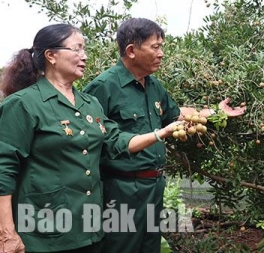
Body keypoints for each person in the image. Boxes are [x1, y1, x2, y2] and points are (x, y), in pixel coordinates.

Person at [0, 24, 183, 253]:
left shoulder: (89, 104)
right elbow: (4, 169)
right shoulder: (23, 105)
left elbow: (115, 141)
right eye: (76, 49)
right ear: (51, 56)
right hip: (43, 231)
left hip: (88, 229)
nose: (84, 56)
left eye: (84, 49)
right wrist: (6, 233)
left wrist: (161, 133)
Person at [83, 17, 246, 253]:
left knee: (149, 247)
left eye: (162, 46)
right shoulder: (104, 87)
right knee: (121, 246)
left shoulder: (153, 85)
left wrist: (215, 113)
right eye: (155, 46)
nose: (161, 53)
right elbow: (93, 139)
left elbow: (177, 115)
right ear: (131, 51)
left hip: (153, 184)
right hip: (121, 187)